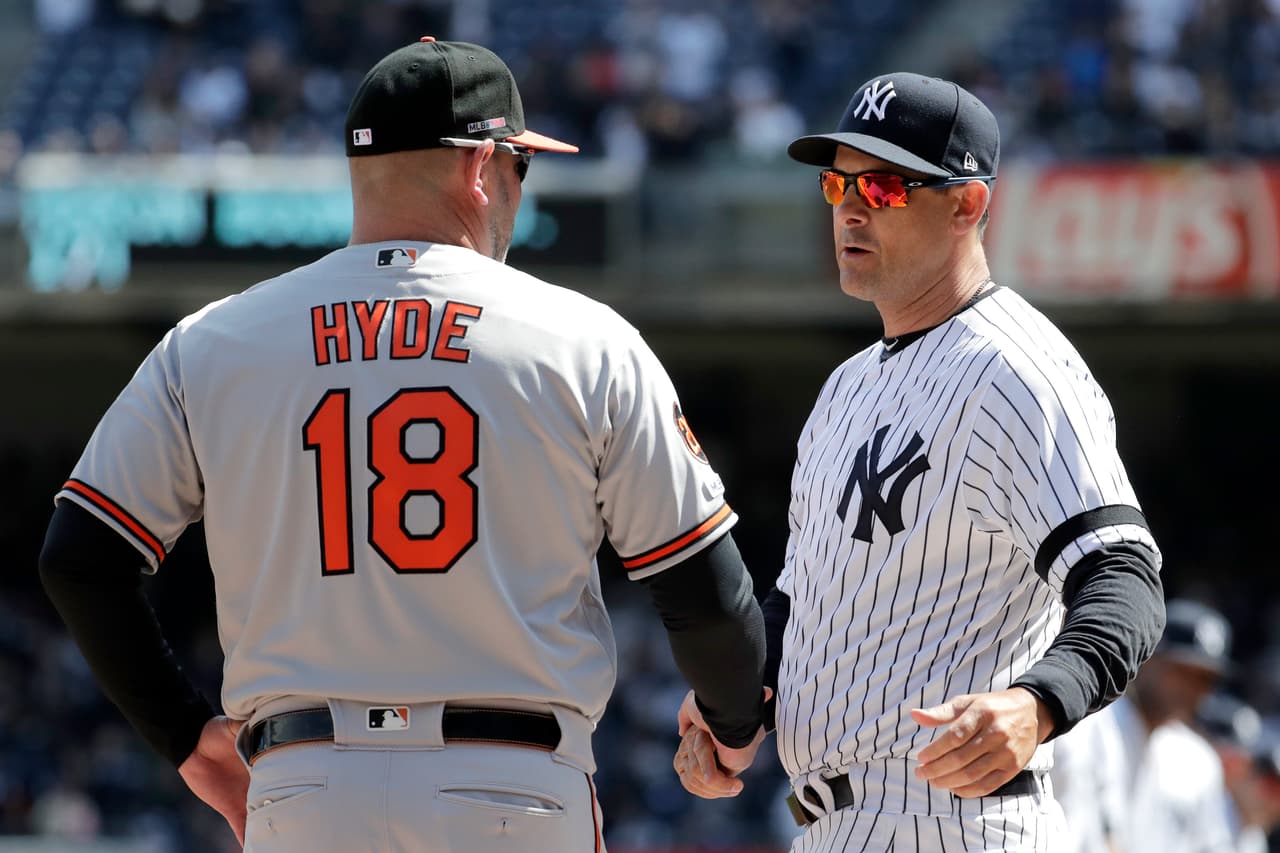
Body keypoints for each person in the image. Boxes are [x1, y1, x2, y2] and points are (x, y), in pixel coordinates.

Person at [38, 38, 767, 852]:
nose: (520, 193)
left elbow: (80, 558)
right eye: (522, 168)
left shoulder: (212, 341)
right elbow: (706, 595)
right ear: (483, 166)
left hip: (304, 788)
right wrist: (733, 726)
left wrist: (187, 737)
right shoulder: (585, 339)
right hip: (513, 789)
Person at [672, 72, 1166, 852]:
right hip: (832, 822)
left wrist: (1040, 703)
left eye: (888, 186)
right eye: (839, 182)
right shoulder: (846, 386)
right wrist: (736, 704)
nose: (851, 207)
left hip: (950, 817)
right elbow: (802, 604)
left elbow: (1125, 576)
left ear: (967, 204)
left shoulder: (1017, 368)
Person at [1051, 599, 1235, 852]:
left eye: (1204, 679)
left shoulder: (1195, 758)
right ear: (1147, 657)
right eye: (1181, 671)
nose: (1191, 688)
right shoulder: (1091, 725)